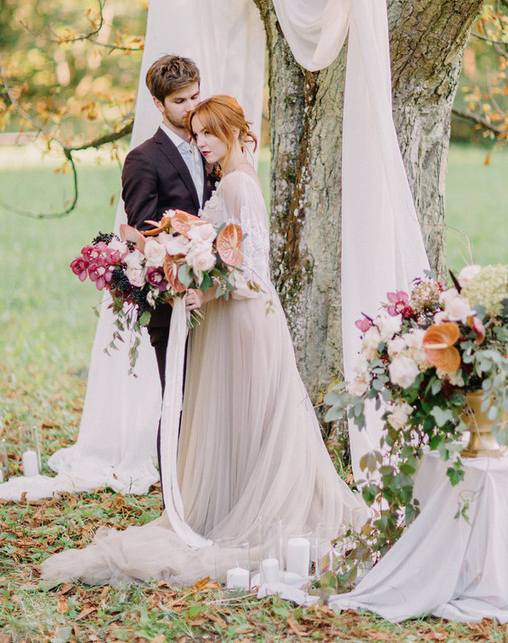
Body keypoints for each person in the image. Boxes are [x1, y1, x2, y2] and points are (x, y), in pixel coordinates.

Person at [41, 96, 365, 586]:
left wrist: (203, 291)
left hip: (245, 318)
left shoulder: (237, 183)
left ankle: (255, 511)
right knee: (233, 418)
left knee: (253, 417)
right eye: (196, 134)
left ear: (235, 131)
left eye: (210, 132)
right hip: (226, 319)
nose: (202, 143)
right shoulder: (229, 179)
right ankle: (230, 504)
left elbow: (251, 270)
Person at [121, 53, 215, 394]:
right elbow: (143, 236)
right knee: (179, 401)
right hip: (171, 303)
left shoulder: (208, 148)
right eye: (179, 101)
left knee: (210, 407)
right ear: (159, 103)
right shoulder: (143, 159)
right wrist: (179, 280)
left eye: (195, 96)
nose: (191, 107)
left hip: (211, 296)